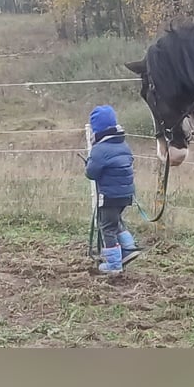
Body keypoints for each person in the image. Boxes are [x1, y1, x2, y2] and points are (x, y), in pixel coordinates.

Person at [85, 104, 141, 273]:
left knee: (107, 226)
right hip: (126, 194)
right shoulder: (123, 145)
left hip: (108, 195)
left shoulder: (99, 150)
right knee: (116, 221)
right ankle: (128, 248)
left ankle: (114, 264)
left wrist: (88, 164)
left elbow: (92, 173)